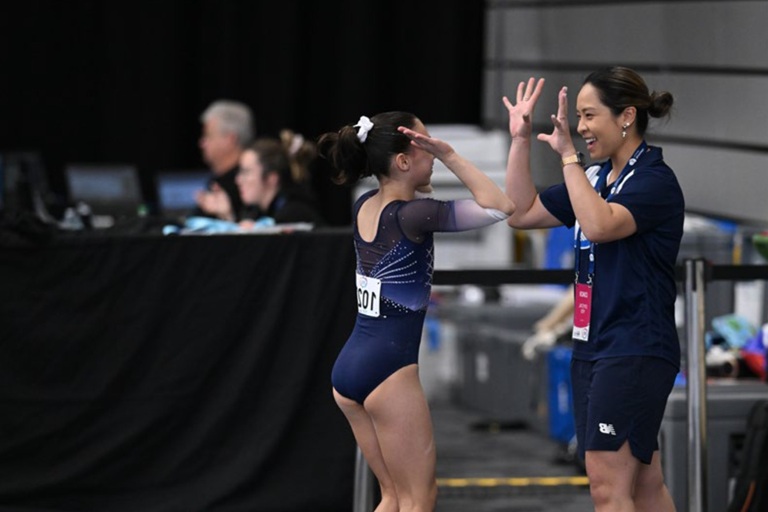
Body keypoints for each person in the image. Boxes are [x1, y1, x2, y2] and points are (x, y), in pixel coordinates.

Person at [504, 68, 684, 511]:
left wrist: (569, 159)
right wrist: (521, 140)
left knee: (607, 488)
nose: (580, 127)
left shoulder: (654, 180)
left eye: (589, 115)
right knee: (643, 486)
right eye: (578, 117)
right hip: (593, 346)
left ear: (626, 116)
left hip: (633, 345)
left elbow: (601, 225)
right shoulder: (597, 177)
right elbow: (521, 212)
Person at [317, 111, 515, 512]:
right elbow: (500, 206)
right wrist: (452, 156)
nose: (434, 154)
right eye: (426, 146)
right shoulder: (413, 215)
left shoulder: (364, 205)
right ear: (403, 160)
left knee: (393, 497)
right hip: (388, 370)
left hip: (351, 366)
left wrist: (434, 154)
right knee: (419, 499)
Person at [235, 133, 326, 227]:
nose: (238, 180)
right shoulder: (256, 213)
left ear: (272, 178)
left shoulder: (293, 215)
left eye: (246, 172)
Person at [194, 99, 254, 220]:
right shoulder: (217, 182)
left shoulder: (247, 188)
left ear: (230, 140)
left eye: (208, 136)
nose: (202, 143)